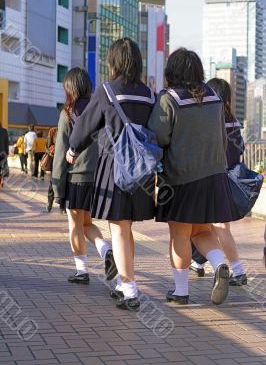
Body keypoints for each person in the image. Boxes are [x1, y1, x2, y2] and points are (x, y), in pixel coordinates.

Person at [67, 38, 156, 311]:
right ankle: (121, 282)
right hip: (141, 171)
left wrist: (72, 149)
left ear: (114, 61)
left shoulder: (107, 90)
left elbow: (85, 126)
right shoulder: (150, 94)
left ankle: (130, 290)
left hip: (114, 167)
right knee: (126, 229)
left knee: (118, 228)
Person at [148, 48, 241, 305]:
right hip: (214, 176)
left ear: (172, 71)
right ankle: (220, 263)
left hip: (181, 179)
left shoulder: (169, 98)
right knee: (202, 230)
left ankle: (180, 291)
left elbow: (159, 136)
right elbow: (223, 139)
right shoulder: (213, 97)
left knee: (179, 234)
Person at [52, 67, 117, 284]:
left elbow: (61, 153)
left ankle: (82, 271)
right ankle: (106, 250)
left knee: (75, 224)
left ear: (69, 88)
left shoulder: (67, 113)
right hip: (99, 177)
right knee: (87, 223)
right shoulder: (99, 109)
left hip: (76, 178)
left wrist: (57, 189)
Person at [190, 78, 247, 286]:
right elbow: (238, 152)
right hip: (229, 181)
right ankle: (198, 261)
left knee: (219, 227)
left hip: (215, 180)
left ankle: (239, 272)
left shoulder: (213, 122)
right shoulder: (233, 122)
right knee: (205, 226)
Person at [0, 122, 9, 187]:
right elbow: (6, 142)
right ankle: (2, 179)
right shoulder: (4, 131)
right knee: (3, 167)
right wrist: (7, 152)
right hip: (3, 151)